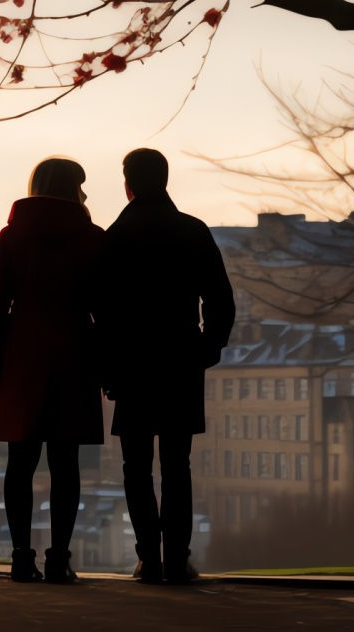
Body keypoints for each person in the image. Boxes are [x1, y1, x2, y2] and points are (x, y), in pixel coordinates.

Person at [97, 147, 235, 584]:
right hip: (180, 357)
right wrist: (208, 348)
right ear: (166, 179)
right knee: (178, 465)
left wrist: (109, 366)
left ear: (128, 185)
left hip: (132, 361)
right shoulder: (192, 230)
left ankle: (147, 558)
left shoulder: (115, 236)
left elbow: (99, 309)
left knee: (135, 467)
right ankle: (177, 557)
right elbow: (220, 299)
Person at [0, 156, 106, 583]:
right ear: (71, 189)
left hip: (20, 351)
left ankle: (20, 557)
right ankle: (59, 558)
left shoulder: (12, 236)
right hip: (73, 348)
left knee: (20, 461)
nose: (85, 195)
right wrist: (107, 367)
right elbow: (106, 311)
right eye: (81, 186)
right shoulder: (92, 238)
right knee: (65, 463)